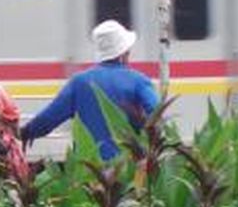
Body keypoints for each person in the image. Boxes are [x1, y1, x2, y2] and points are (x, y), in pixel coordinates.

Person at [21, 19, 159, 160]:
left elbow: (49, 118)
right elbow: (157, 116)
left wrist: (26, 132)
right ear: (124, 52)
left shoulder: (79, 82)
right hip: (127, 168)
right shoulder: (139, 81)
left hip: (88, 169)